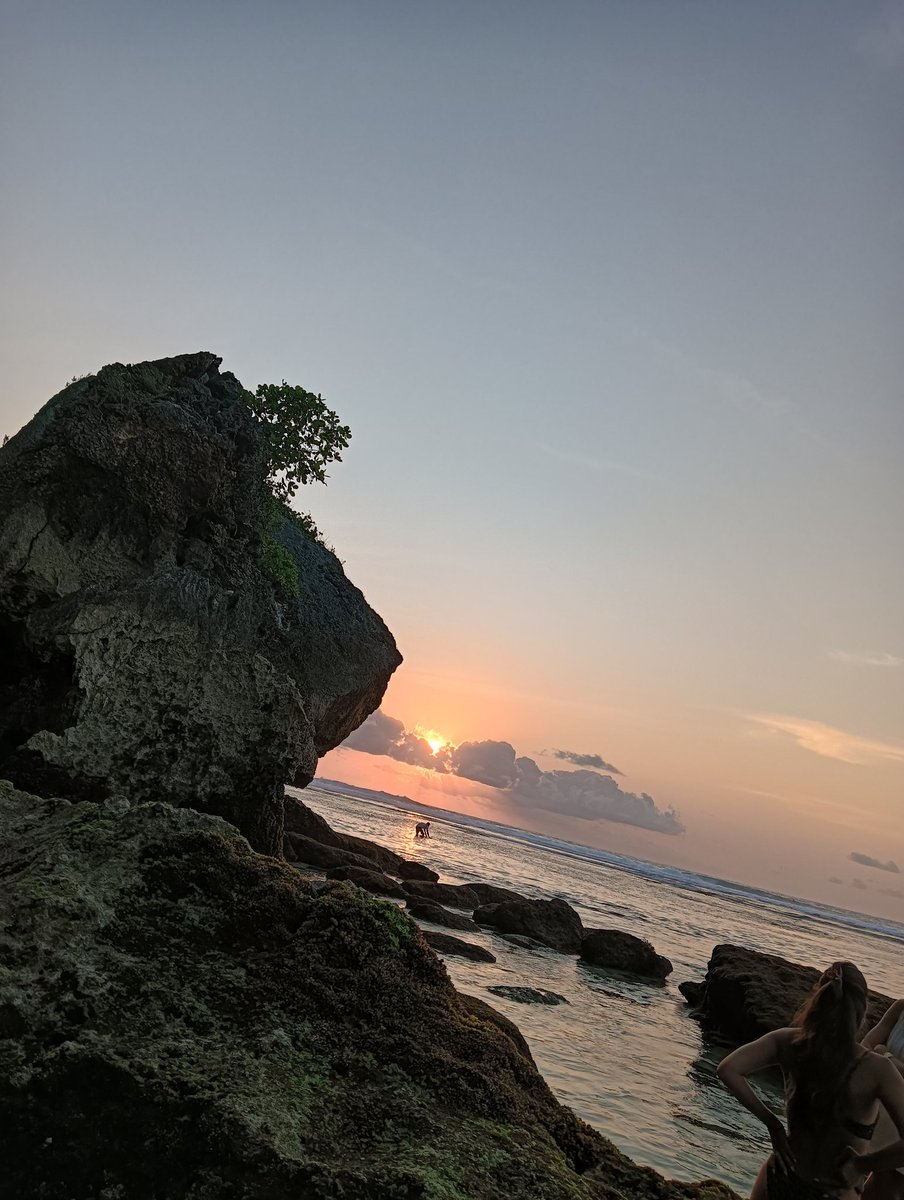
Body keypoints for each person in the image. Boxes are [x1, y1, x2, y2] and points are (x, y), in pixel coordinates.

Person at [717, 962, 904, 1199]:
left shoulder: (787, 1042)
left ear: (817, 997)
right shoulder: (877, 1069)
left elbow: (728, 1069)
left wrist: (773, 1125)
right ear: (862, 1009)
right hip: (833, 1191)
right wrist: (862, 1166)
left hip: (780, 1177)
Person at [861, 1000, 904, 1200]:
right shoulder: (901, 1007)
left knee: (887, 1185)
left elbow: (876, 1049)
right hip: (880, 1110)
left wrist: (886, 1055)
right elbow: (866, 1046)